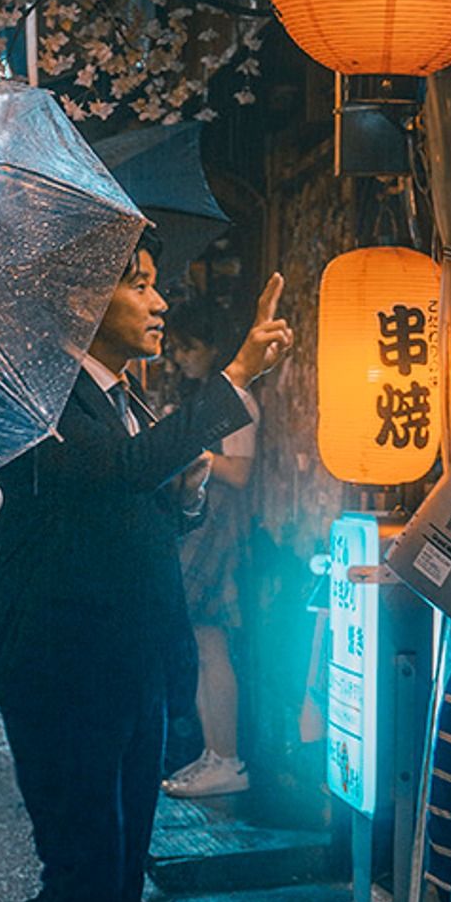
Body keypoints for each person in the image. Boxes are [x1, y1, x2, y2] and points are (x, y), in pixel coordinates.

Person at [0, 244, 293, 902]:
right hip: (64, 673)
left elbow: (136, 503)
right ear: (79, 298)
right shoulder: (41, 398)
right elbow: (105, 476)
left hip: (130, 669)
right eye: (137, 281)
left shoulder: (123, 396)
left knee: (117, 893)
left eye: (155, 276)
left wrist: (182, 501)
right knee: (84, 887)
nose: (158, 296)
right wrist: (235, 380)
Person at [160, 298, 259, 800]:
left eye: (188, 347)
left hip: (217, 524)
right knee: (203, 644)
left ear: (214, 346)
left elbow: (240, 472)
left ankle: (226, 757)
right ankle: (215, 754)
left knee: (210, 642)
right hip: (205, 522)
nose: (180, 358)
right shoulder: (208, 396)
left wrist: (186, 449)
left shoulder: (235, 400)